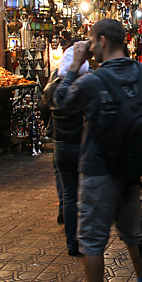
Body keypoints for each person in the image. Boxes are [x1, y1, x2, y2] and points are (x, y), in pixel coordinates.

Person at [53, 19, 142, 282]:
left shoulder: (94, 81)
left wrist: (74, 65)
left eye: (92, 41)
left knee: (92, 242)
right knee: (134, 234)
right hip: (130, 170)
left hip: (98, 169)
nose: (91, 47)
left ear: (103, 42)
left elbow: (60, 101)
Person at [39, 42, 87, 256]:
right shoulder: (83, 87)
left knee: (69, 196)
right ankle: (85, 240)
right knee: (83, 194)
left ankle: (72, 244)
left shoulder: (52, 87)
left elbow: (43, 111)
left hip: (61, 145)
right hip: (81, 145)